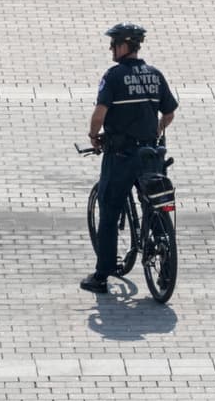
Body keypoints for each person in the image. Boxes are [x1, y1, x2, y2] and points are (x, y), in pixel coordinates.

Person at [81, 22, 178, 294]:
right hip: (151, 155)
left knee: (109, 210)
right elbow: (168, 113)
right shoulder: (155, 75)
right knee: (154, 204)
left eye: (113, 44)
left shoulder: (113, 77)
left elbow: (99, 114)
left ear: (124, 46)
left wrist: (93, 135)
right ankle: (164, 261)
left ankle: (102, 276)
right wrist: (156, 129)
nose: (111, 48)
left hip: (121, 155)